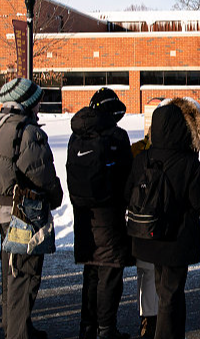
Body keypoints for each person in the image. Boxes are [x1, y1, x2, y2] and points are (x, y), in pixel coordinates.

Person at [128, 99, 200, 339]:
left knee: (165, 290)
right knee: (170, 295)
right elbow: (199, 201)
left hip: (148, 236)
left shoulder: (141, 159)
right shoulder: (187, 163)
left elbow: (128, 193)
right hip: (175, 240)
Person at [0, 78, 64, 339]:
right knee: (26, 276)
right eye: (37, 101)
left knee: (12, 272)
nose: (40, 105)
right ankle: (18, 334)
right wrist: (55, 195)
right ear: (28, 103)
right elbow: (43, 175)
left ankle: (16, 327)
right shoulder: (29, 132)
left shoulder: (3, 129)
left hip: (6, 212)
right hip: (27, 215)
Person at [67, 88, 133, 339]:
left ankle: (87, 327)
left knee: (91, 272)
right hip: (109, 214)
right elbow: (126, 176)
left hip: (83, 215)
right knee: (109, 272)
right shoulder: (116, 136)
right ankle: (106, 329)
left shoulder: (77, 136)